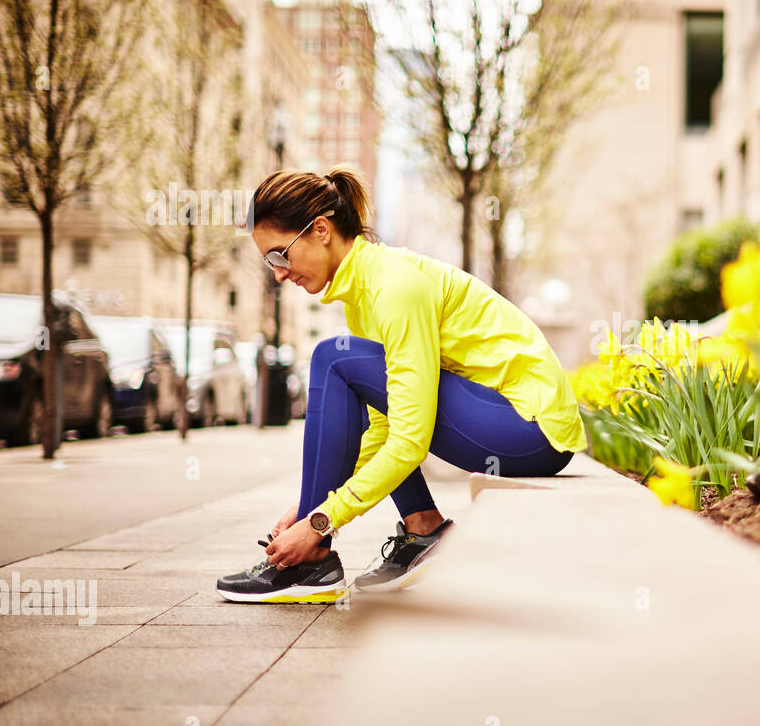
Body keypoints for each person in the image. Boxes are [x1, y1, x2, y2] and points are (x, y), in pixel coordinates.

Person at [216, 167, 586, 603]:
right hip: (507, 423)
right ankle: (422, 526)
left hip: (531, 431)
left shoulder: (395, 287)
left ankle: (313, 559)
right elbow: (383, 430)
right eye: (269, 262)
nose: (279, 274)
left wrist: (320, 523)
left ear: (320, 230)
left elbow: (410, 441)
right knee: (342, 363)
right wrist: (308, 510)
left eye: (280, 255)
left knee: (332, 357)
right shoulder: (364, 292)